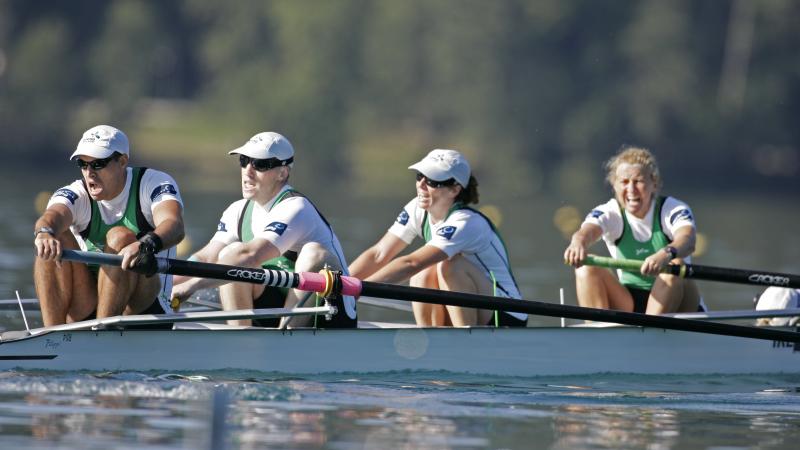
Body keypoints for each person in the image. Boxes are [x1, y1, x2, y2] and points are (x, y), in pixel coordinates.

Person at [170, 132, 357, 328]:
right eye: (244, 161)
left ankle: (286, 340)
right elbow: (207, 258)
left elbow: (251, 255)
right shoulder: (237, 210)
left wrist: (191, 286)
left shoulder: (296, 207)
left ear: (282, 173)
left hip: (330, 312)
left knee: (312, 254)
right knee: (228, 255)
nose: (248, 171)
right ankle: (241, 344)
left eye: (260, 164)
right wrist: (164, 282)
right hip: (276, 304)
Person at [349, 149, 527, 327]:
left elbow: (411, 263)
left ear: (454, 189)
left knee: (449, 266)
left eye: (433, 181)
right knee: (424, 273)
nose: (421, 185)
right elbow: (378, 254)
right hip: (474, 304)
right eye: (420, 176)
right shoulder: (417, 209)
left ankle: (468, 343)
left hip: (507, 312)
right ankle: (433, 340)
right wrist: (340, 283)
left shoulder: (466, 222)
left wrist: (356, 290)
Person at [33, 124, 185, 326]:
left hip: (144, 306)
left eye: (98, 164)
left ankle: (102, 334)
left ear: (122, 161)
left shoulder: (153, 183)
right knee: (53, 238)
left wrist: (145, 245)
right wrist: (44, 232)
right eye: (83, 164)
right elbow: (52, 217)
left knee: (119, 237)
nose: (89, 173)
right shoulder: (76, 193)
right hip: (89, 303)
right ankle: (51, 338)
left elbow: (174, 225)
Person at [563, 145, 702, 314]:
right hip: (629, 302)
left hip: (681, 302)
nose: (631, 189)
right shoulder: (610, 212)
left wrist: (665, 254)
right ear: (614, 185)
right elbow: (588, 231)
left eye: (638, 181)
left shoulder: (672, 209)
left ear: (654, 183)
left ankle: (650, 332)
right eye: (624, 182)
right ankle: (598, 333)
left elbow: (688, 239)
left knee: (675, 265)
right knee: (586, 267)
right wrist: (578, 242)